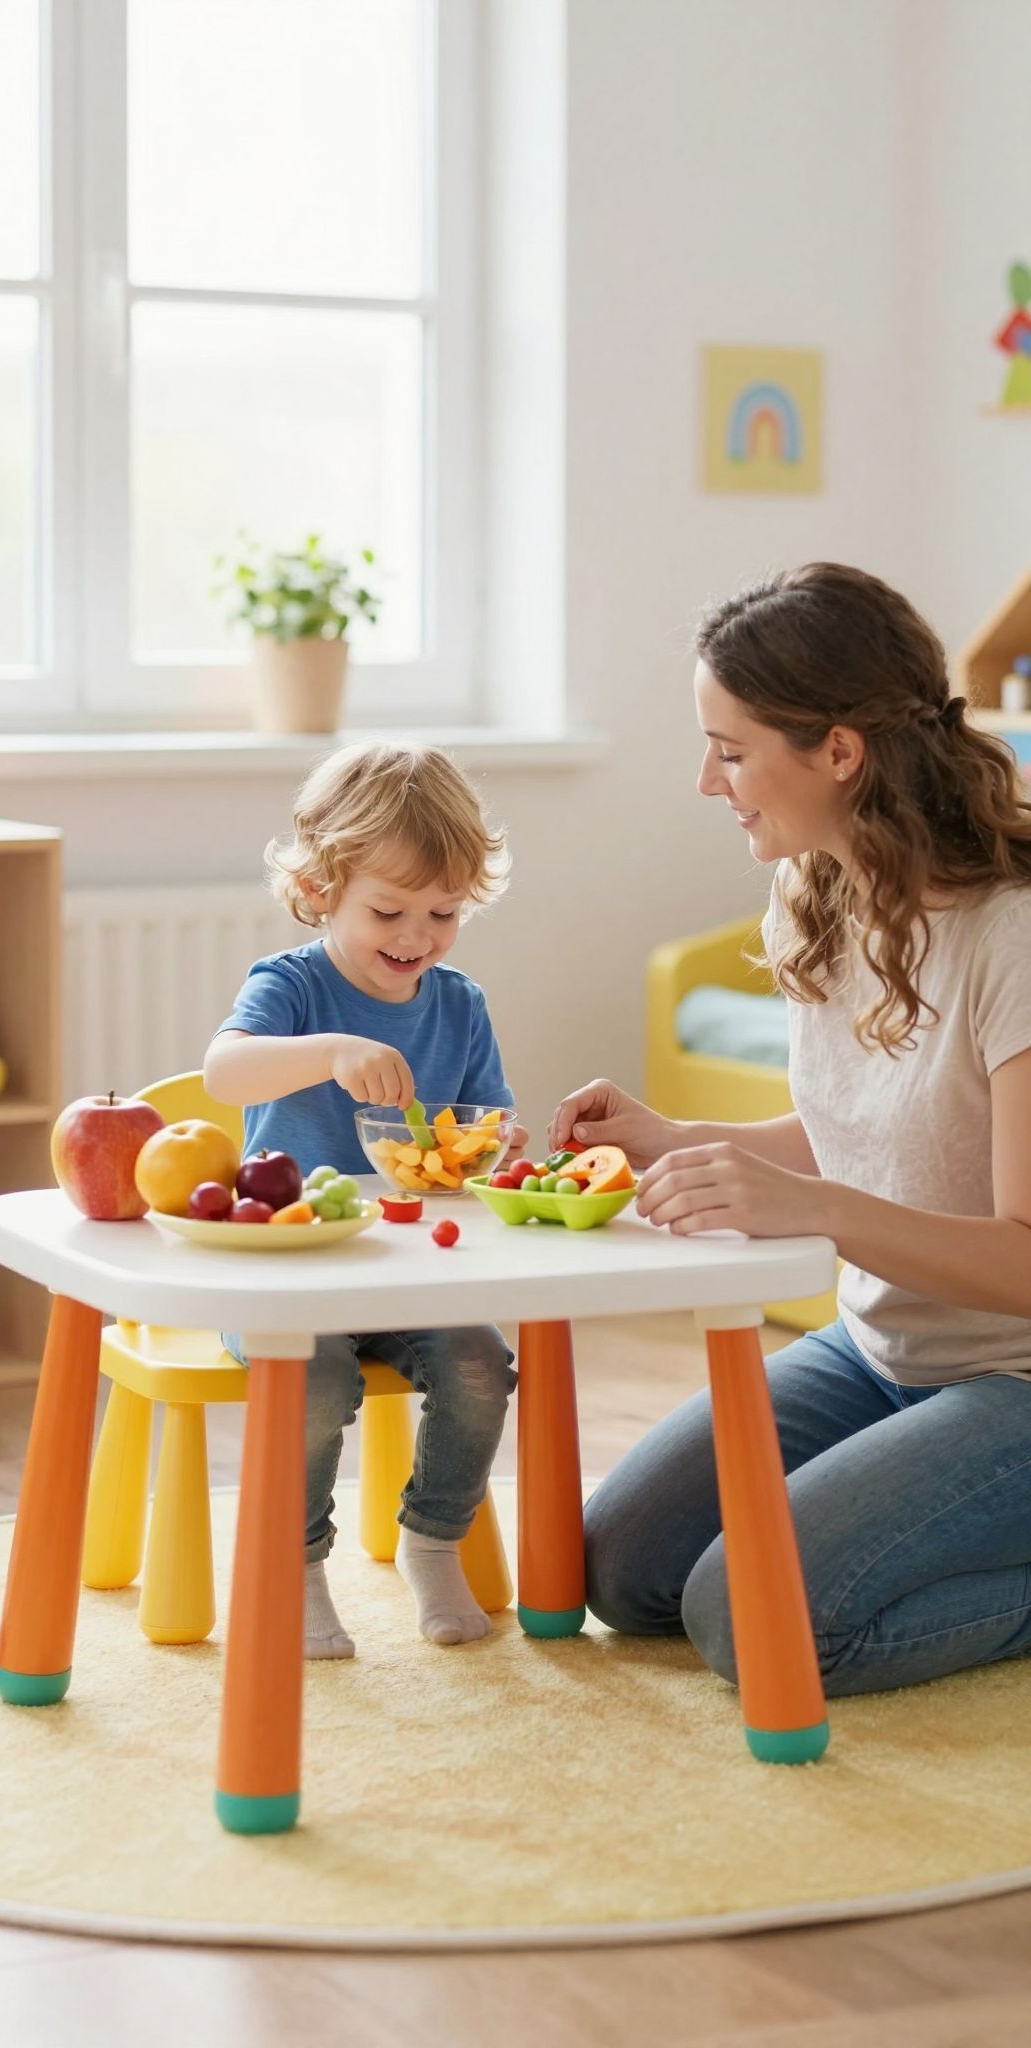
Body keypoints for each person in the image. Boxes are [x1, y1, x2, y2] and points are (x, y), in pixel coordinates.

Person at [550, 562, 1031, 1698]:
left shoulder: (1012, 939)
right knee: (618, 1569)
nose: (707, 780)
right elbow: (862, 1134)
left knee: (750, 1615)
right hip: (879, 1353)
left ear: (839, 752)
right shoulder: (820, 890)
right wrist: (668, 1137)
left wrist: (815, 1214)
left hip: (1014, 1378)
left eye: (729, 748)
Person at [204, 741, 527, 1660]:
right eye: (388, 909)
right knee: (315, 1384)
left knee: (479, 1367)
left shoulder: (459, 1005)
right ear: (319, 889)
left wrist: (497, 1143)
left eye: (444, 912)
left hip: (408, 1273)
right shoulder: (291, 988)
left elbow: (486, 1117)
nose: (416, 935)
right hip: (287, 1275)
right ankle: (298, 1567)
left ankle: (432, 1542)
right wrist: (330, 1050)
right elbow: (225, 1071)